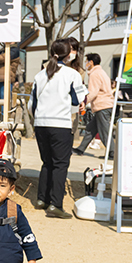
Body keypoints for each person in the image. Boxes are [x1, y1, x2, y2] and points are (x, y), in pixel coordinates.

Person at [29, 38, 87, 219]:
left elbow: (32, 104)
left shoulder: (40, 75)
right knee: (60, 165)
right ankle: (55, 204)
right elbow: (78, 100)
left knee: (47, 162)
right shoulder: (72, 74)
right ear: (68, 54)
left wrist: (37, 119)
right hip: (60, 124)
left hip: (41, 123)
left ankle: (41, 199)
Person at [74, 53, 114, 157]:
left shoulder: (95, 74)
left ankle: (113, 152)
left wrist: (84, 102)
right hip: (104, 105)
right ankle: (80, 149)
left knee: (104, 132)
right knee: (90, 129)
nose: (86, 64)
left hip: (102, 106)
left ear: (91, 62)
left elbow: (93, 92)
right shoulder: (101, 72)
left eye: (87, 61)